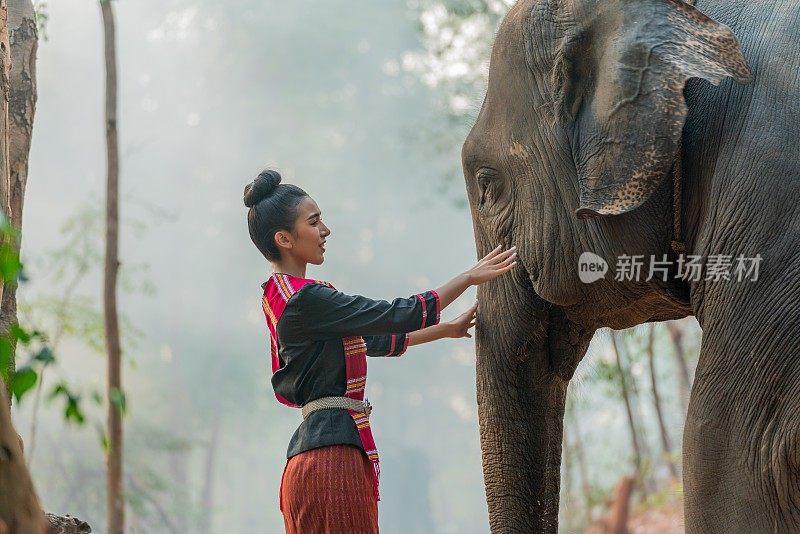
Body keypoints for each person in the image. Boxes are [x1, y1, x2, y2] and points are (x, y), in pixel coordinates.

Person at [243, 169, 517, 533]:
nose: (325, 231)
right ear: (284, 238)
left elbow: (375, 341)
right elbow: (395, 315)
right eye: (314, 222)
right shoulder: (308, 299)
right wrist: (467, 278)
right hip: (333, 465)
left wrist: (446, 330)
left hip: (305, 465)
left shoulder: (280, 298)